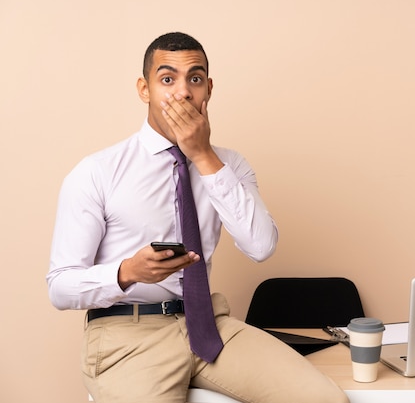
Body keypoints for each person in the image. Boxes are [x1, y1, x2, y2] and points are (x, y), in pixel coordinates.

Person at [47, 32, 349, 403]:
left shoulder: (229, 164)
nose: (183, 93)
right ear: (145, 89)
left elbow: (261, 246)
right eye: (167, 79)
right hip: (127, 332)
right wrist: (127, 271)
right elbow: (60, 287)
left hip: (208, 324)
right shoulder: (96, 171)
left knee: (324, 400)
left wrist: (203, 155)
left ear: (208, 88)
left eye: (195, 78)